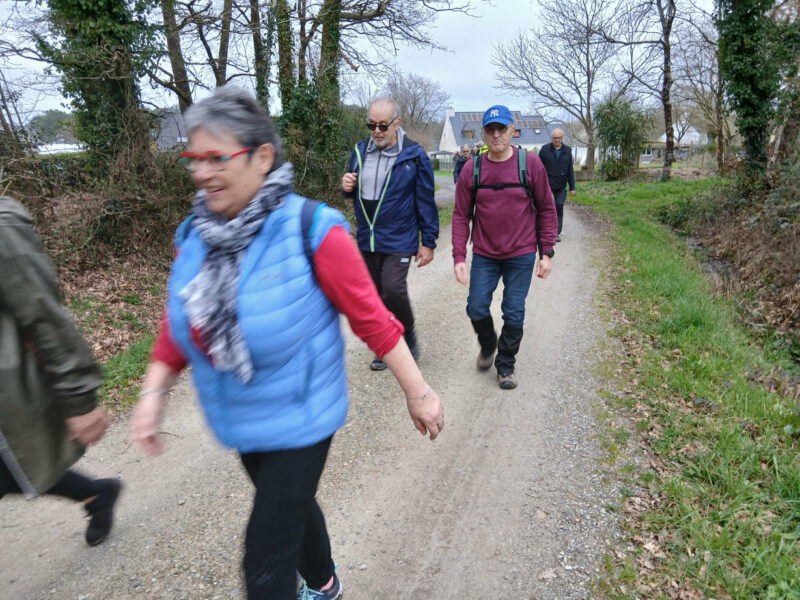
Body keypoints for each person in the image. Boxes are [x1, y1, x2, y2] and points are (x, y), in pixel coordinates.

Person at [130, 86, 444, 600]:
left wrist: (419, 392)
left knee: (264, 558)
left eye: (216, 158)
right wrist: (152, 393)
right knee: (291, 504)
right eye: (195, 159)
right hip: (242, 418)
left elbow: (372, 318)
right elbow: (180, 321)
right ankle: (323, 582)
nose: (202, 172)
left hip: (303, 415)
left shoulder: (311, 229)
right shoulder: (194, 235)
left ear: (261, 157)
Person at [0, 196, 122, 546]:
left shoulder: (3, 227)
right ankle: (96, 494)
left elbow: (46, 316)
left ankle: (96, 494)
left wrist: (80, 398)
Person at [452, 105, 558, 390]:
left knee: (513, 311)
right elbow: (461, 215)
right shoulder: (472, 169)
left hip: (521, 254)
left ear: (513, 130)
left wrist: (546, 252)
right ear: (484, 134)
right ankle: (488, 344)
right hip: (485, 254)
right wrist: (459, 255)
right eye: (490, 129)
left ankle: (505, 365)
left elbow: (547, 209)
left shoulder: (530, 164)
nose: (496, 134)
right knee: (476, 307)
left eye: (501, 128)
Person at [341, 96, 439, 371]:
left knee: (393, 289)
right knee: (375, 296)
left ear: (397, 123)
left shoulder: (414, 155)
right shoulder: (360, 151)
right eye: (371, 125)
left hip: (400, 236)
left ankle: (408, 335)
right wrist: (346, 186)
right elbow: (353, 191)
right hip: (368, 238)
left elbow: (425, 200)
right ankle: (386, 345)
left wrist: (428, 241)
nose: (376, 131)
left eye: (383, 125)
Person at [537, 128, 576, 242]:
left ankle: (556, 233)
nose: (557, 140)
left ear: (562, 138)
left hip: (561, 186)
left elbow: (570, 170)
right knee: (548, 208)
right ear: (552, 138)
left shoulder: (567, 151)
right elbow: (538, 167)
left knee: (559, 206)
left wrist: (572, 187)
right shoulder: (544, 150)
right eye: (555, 138)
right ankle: (546, 231)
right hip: (547, 186)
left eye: (559, 138)